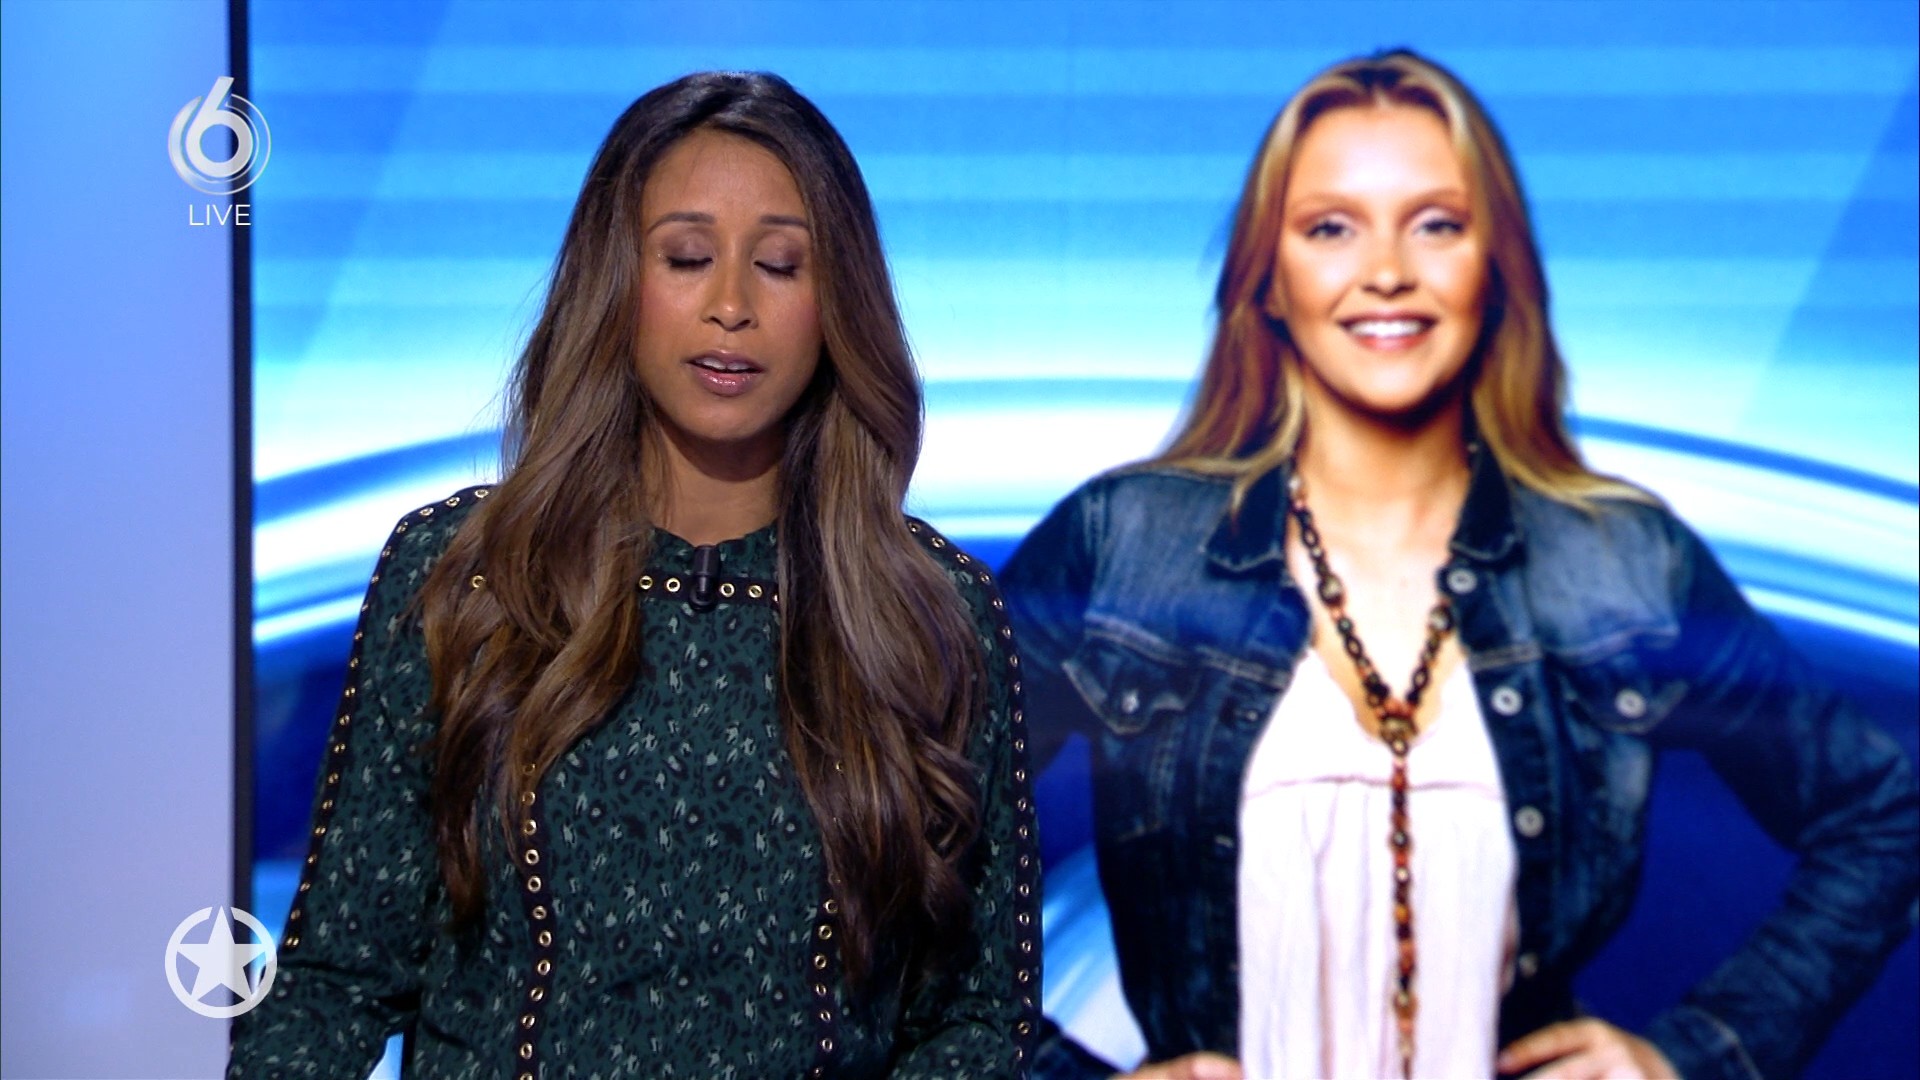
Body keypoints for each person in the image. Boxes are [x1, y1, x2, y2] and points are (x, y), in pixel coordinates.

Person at [1002, 49, 1917, 1080]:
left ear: (1497, 267)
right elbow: (894, 846)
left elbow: (1884, 813)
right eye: (1331, 227)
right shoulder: (1123, 544)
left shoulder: (1619, 563)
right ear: (1268, 279)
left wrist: (1690, 1056)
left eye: (1436, 223)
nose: (1387, 271)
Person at [230, 71, 1040, 1079]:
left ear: (837, 302)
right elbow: (335, 984)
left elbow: (974, 1022)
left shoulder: (930, 611)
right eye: (688, 258)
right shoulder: (468, 577)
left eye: (781, 265)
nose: (732, 306)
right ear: (615, 280)